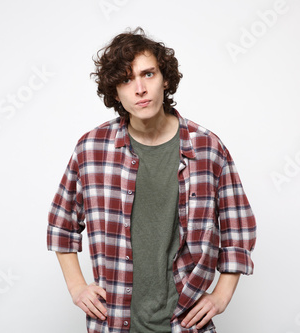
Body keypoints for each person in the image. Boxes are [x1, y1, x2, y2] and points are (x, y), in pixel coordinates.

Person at [47, 27, 256, 333]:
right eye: (126, 80)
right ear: (115, 92)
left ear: (165, 79)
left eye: (148, 74)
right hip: (114, 323)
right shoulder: (92, 149)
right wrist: (77, 286)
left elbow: (238, 226)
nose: (139, 89)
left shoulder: (207, 147)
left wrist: (222, 294)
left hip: (185, 324)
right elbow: (62, 224)